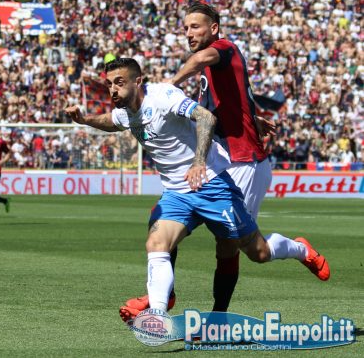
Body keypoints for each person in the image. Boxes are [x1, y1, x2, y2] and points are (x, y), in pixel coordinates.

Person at [66, 58, 329, 319]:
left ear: (138, 81)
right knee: (156, 243)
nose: (113, 90)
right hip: (177, 194)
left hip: (212, 185)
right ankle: (157, 315)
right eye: (110, 84)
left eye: (119, 83)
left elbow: (205, 117)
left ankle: (300, 249)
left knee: (258, 252)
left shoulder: (163, 96)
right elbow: (113, 121)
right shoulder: (126, 110)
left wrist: (199, 162)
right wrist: (85, 119)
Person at [122, 1, 277, 318]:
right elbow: (225, 102)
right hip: (220, 157)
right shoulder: (213, 68)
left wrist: (170, 85)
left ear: (214, 28)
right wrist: (250, 117)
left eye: (195, 27)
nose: (188, 33)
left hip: (244, 160)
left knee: (238, 246)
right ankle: (164, 295)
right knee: (163, 218)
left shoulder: (222, 49)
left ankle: (219, 316)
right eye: (186, 28)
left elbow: (199, 59)